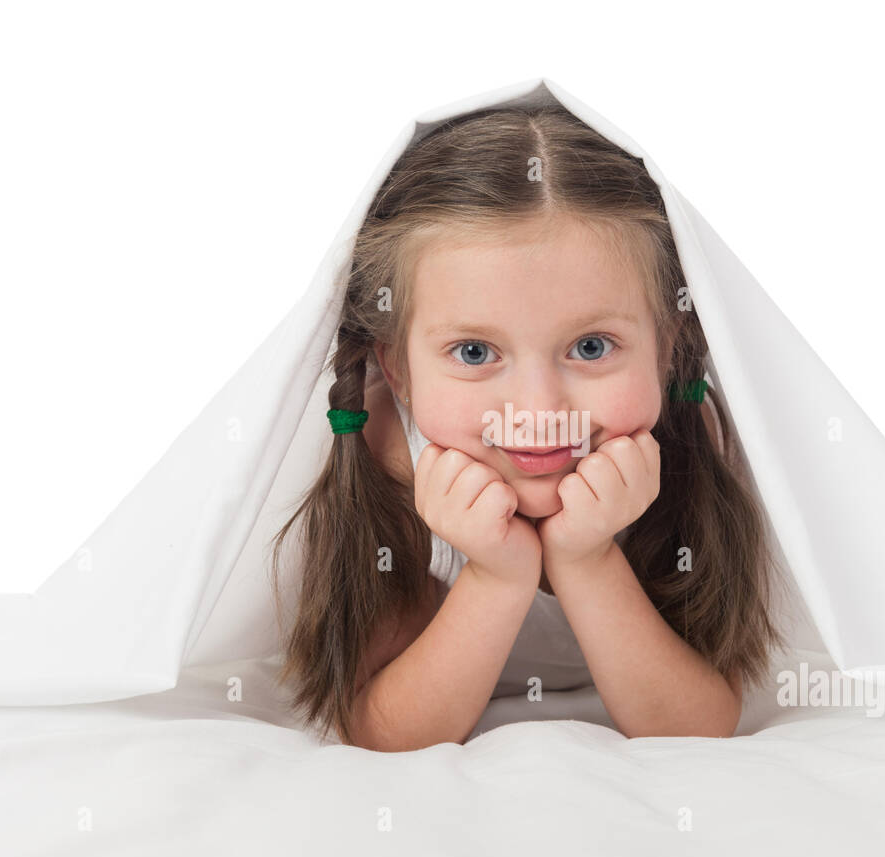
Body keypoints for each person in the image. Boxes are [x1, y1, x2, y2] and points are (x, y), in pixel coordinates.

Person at [270, 103, 788, 750]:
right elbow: (383, 733)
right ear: (396, 369)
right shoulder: (390, 455)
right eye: (475, 353)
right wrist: (495, 575)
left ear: (667, 350)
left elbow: (695, 727)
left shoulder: (688, 435)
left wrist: (589, 557)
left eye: (592, 347)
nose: (539, 413)